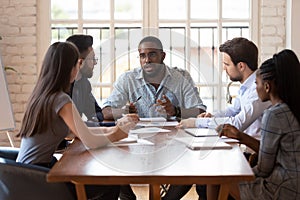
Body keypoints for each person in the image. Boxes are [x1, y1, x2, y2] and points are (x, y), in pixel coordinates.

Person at [16, 42, 139, 200]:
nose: (79, 68)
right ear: (69, 68)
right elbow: (90, 141)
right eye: (78, 64)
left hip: (26, 173)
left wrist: (114, 128)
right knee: (109, 184)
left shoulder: (42, 95)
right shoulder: (60, 100)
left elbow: (80, 133)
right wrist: (119, 133)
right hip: (37, 178)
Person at [163, 37, 271, 200]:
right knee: (200, 169)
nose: (224, 69)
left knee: (201, 168)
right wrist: (212, 116)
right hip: (243, 150)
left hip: (252, 157)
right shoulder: (247, 86)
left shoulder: (257, 89)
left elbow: (237, 123)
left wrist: (197, 122)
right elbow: (234, 110)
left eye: (227, 64)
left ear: (241, 66)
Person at [213, 49, 300, 200]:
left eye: (256, 83)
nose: (255, 88)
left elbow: (264, 169)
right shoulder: (292, 108)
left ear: (267, 87)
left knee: (217, 176)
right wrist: (241, 137)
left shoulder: (273, 115)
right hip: (295, 182)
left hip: (282, 188)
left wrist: (244, 170)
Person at [102, 36, 206, 120]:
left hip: (173, 135)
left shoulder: (182, 77)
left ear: (163, 56)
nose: (147, 60)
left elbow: (200, 111)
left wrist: (175, 111)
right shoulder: (127, 79)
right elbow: (105, 112)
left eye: (152, 54)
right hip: (139, 138)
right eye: (142, 56)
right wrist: (123, 111)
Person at [66, 34, 104, 124]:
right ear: (80, 61)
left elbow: (97, 112)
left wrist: (94, 119)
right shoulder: (61, 87)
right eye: (92, 59)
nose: (95, 63)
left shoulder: (84, 84)